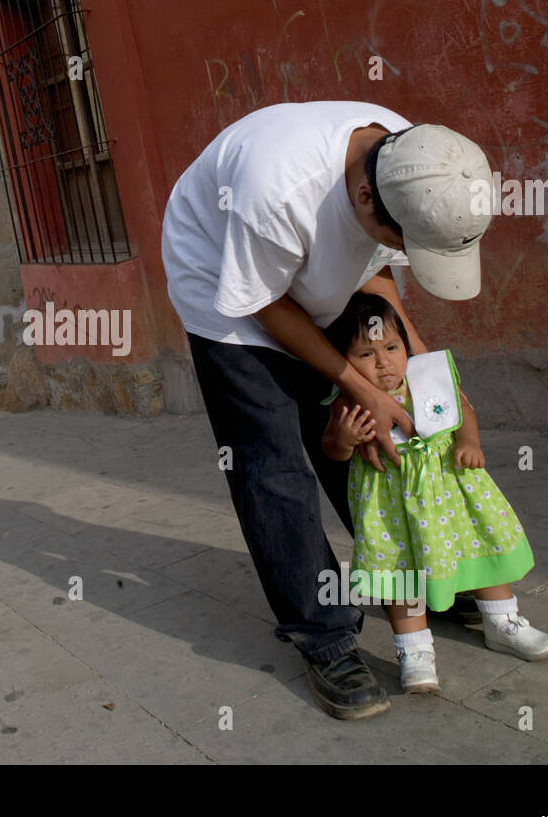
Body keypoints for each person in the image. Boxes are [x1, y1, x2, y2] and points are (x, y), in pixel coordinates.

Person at [161, 101, 495, 721]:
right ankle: (325, 635)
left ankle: (416, 581)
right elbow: (265, 305)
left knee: (367, 437)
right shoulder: (277, 191)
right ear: (366, 198)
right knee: (275, 463)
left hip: (315, 274)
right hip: (229, 295)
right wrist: (359, 387)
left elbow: (376, 273)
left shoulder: (414, 159)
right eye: (403, 240)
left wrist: (418, 364)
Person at [321, 292, 548, 693]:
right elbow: (333, 450)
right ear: (343, 359)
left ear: (405, 346)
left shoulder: (427, 379)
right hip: (390, 506)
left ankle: (502, 621)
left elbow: (463, 409)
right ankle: (413, 648)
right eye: (365, 354)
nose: (383, 363)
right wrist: (343, 438)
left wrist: (469, 441)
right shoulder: (347, 401)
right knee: (401, 570)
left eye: (392, 347)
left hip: (451, 491)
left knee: (480, 544)